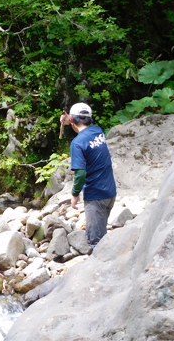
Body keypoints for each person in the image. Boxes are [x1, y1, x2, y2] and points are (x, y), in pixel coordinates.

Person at [60, 103, 117, 248]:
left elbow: (80, 173)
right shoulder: (98, 131)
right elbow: (82, 136)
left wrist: (74, 194)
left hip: (95, 197)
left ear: (72, 120)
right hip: (110, 193)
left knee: (95, 242)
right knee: (102, 235)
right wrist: (68, 123)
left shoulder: (77, 143)